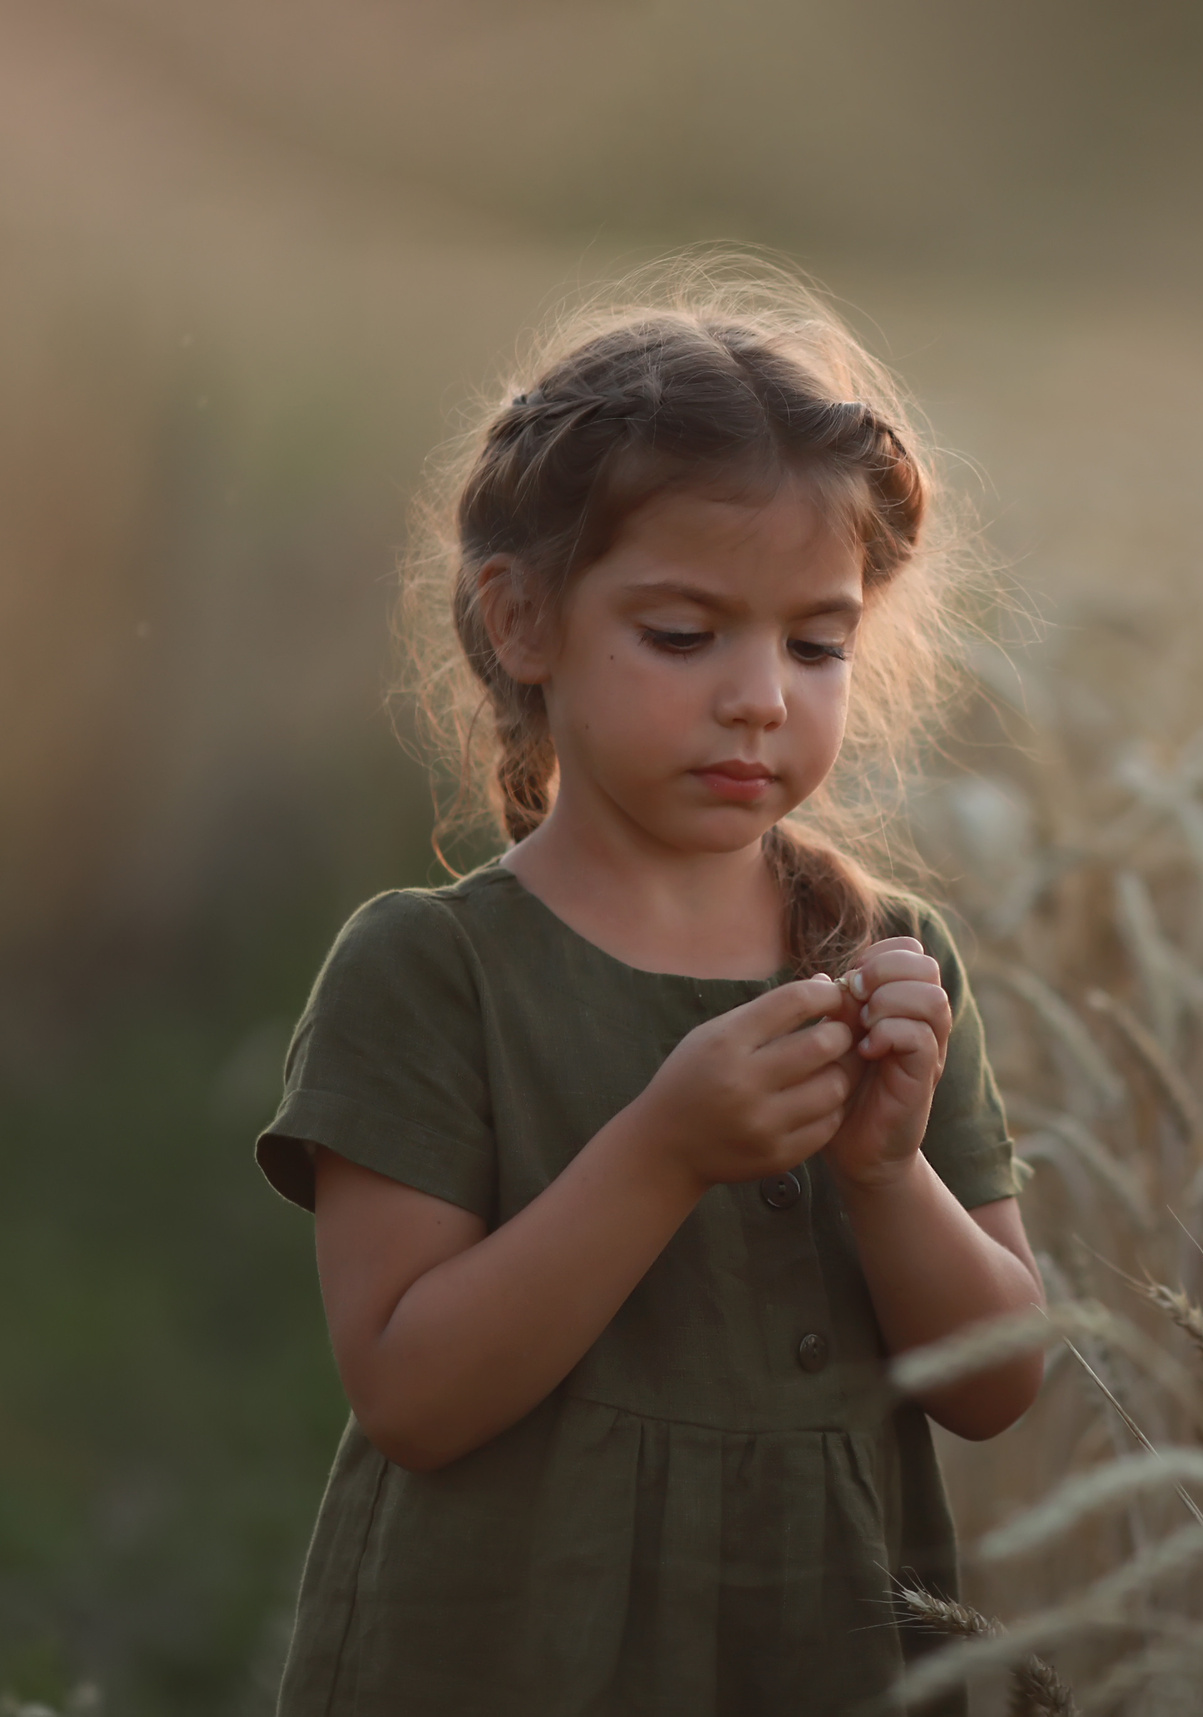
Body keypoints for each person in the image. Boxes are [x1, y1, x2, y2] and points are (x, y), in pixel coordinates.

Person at [251, 256, 1044, 1715]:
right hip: (505, 1646)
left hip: (824, 1643)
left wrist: (883, 1170)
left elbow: (998, 1384)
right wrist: (666, 1148)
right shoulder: (431, 970)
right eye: (685, 635)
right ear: (522, 621)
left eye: (817, 642)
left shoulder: (885, 958)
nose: (760, 693)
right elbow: (411, 1393)